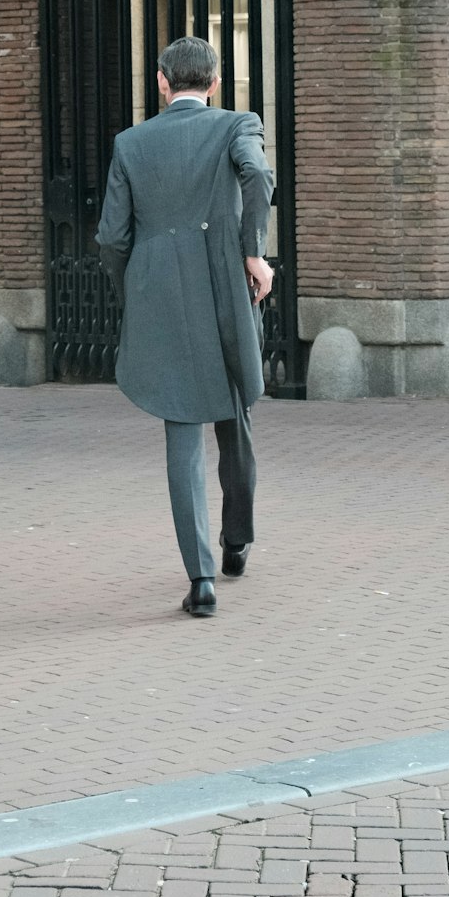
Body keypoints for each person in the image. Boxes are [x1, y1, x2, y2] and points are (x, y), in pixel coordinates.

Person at [96, 36, 275, 618]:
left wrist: (135, 287)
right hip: (223, 285)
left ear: (161, 82)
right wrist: (252, 252)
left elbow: (111, 239)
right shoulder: (236, 124)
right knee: (234, 414)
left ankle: (200, 579)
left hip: (160, 292)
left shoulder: (130, 143)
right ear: (216, 84)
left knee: (181, 429)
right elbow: (258, 177)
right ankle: (237, 540)